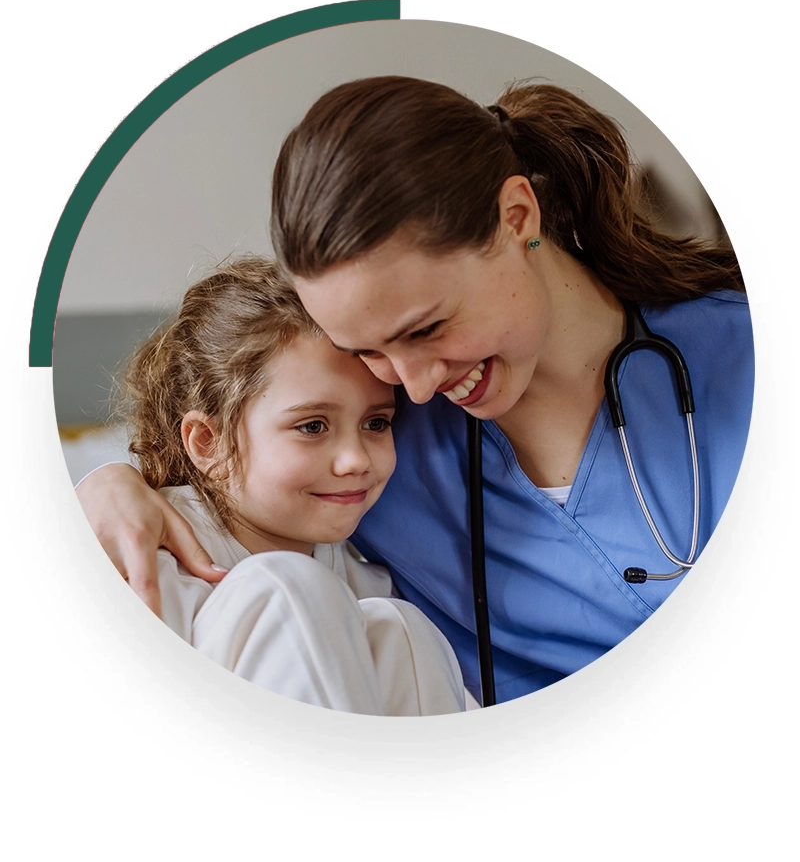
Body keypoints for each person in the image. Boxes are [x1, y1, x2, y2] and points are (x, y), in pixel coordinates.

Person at [77, 77, 754, 706]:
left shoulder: (749, 359)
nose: (418, 383)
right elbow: (236, 479)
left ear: (517, 215)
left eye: (428, 327)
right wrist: (108, 484)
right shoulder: (375, 448)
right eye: (367, 349)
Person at [108, 255, 466, 715]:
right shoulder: (148, 561)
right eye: (313, 426)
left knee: (402, 628)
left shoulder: (364, 580)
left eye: (376, 423)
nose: (356, 459)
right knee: (288, 587)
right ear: (208, 442)